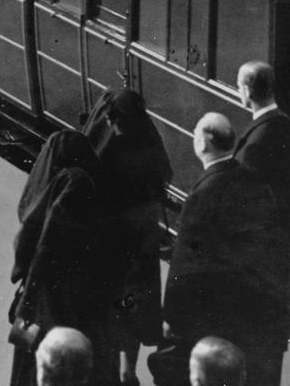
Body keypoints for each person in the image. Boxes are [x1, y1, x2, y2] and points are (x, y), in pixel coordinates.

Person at [162, 113, 284, 386]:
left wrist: (171, 315)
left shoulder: (203, 192)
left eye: (196, 133)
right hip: (250, 306)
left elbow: (184, 262)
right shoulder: (254, 180)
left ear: (204, 144)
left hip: (211, 309)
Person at [10, 130, 115, 386]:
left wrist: (28, 301)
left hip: (43, 296)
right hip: (63, 298)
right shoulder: (77, 181)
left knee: (38, 363)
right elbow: (51, 243)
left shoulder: (51, 182)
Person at [82, 88, 172, 386]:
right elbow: (163, 177)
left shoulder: (108, 143)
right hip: (140, 249)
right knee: (134, 312)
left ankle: (117, 371)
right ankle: (128, 372)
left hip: (115, 248)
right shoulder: (148, 141)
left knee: (114, 312)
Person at [234, 60, 290, 386]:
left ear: (248, 91)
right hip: (278, 251)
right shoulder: (289, 128)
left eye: (239, 86)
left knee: (250, 341)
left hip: (252, 264)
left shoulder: (255, 145)